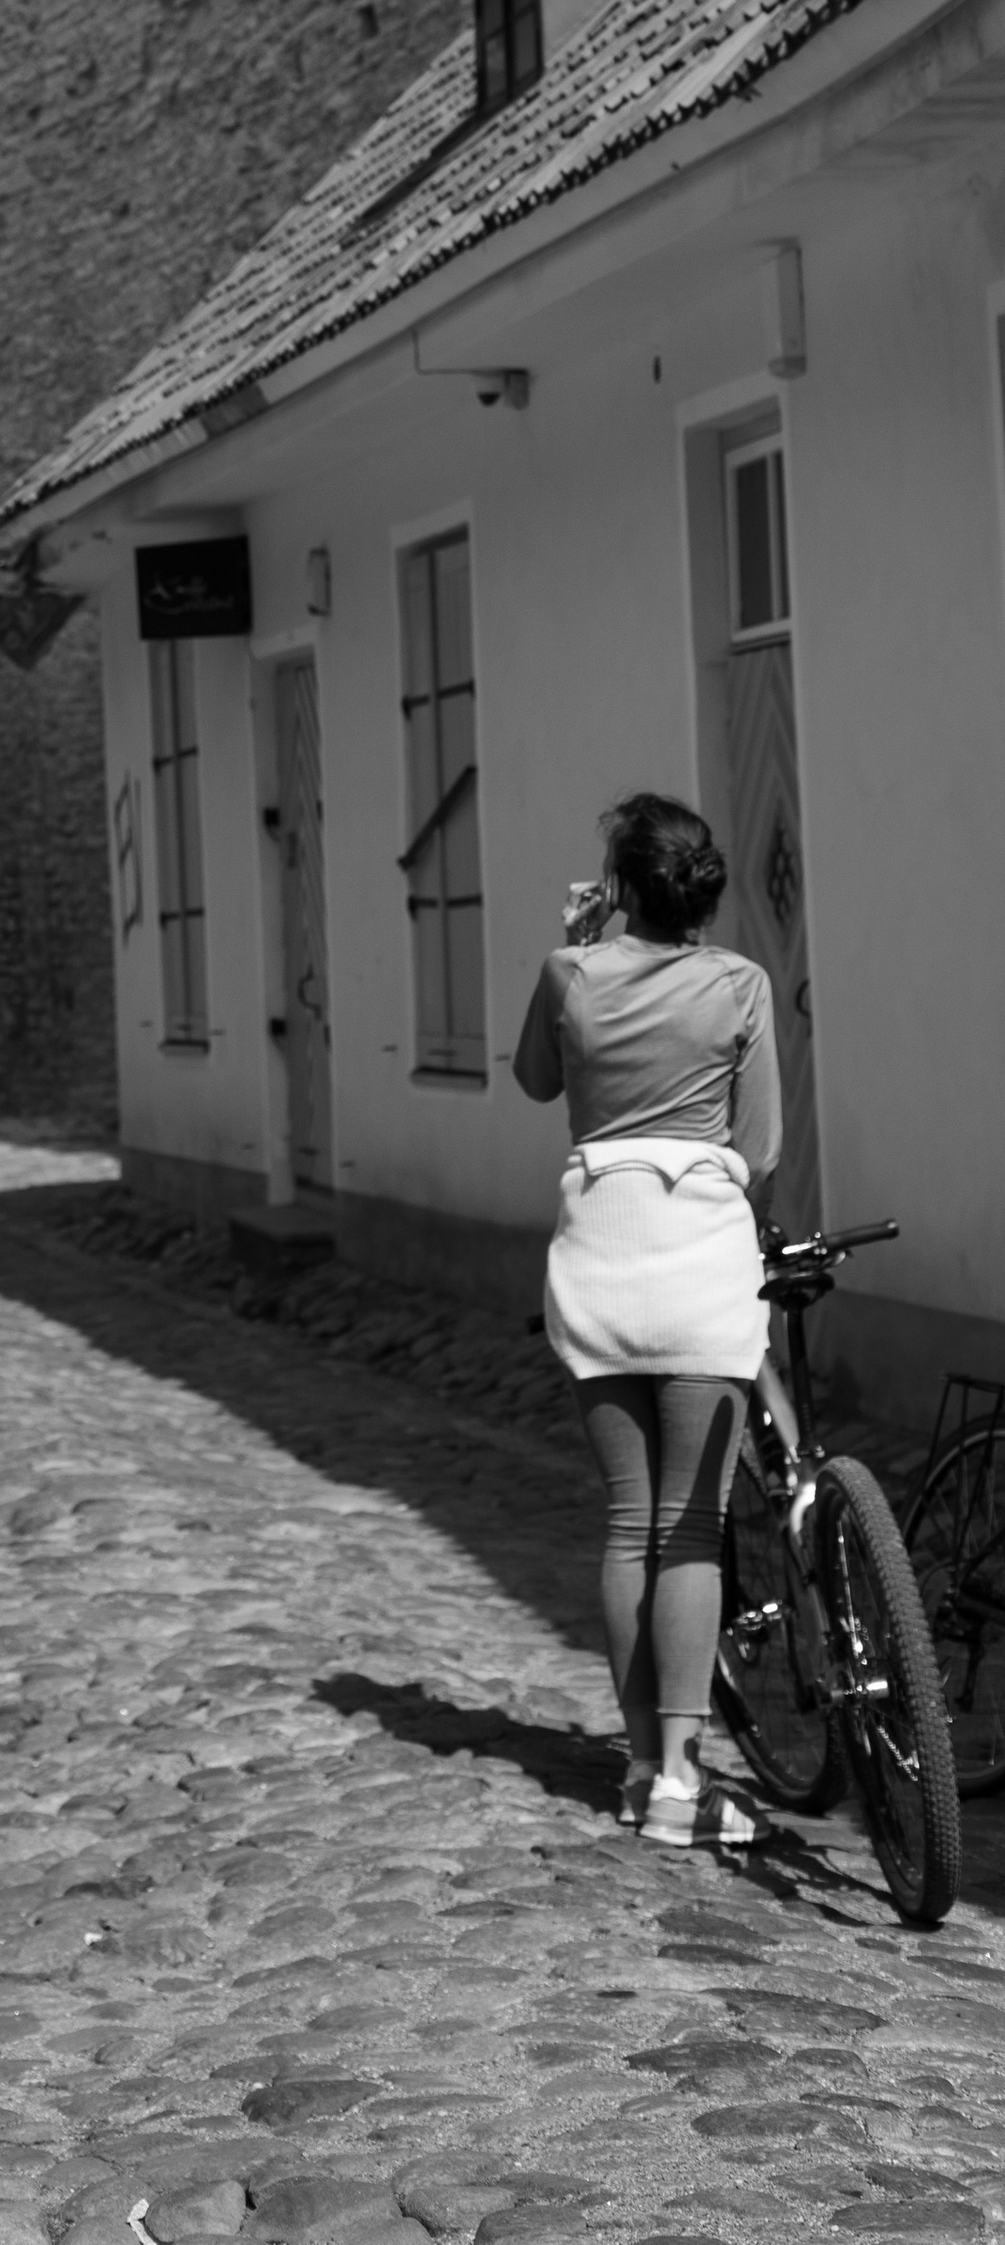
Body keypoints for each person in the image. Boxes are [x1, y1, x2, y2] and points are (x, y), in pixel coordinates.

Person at [514, 792, 782, 1851]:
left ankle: (637, 1771)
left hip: (598, 1258)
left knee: (628, 1522)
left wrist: (577, 948)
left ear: (620, 888)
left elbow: (537, 1080)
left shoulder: (567, 974)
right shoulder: (739, 985)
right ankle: (681, 1779)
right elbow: (757, 1151)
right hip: (697, 1262)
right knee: (692, 1527)